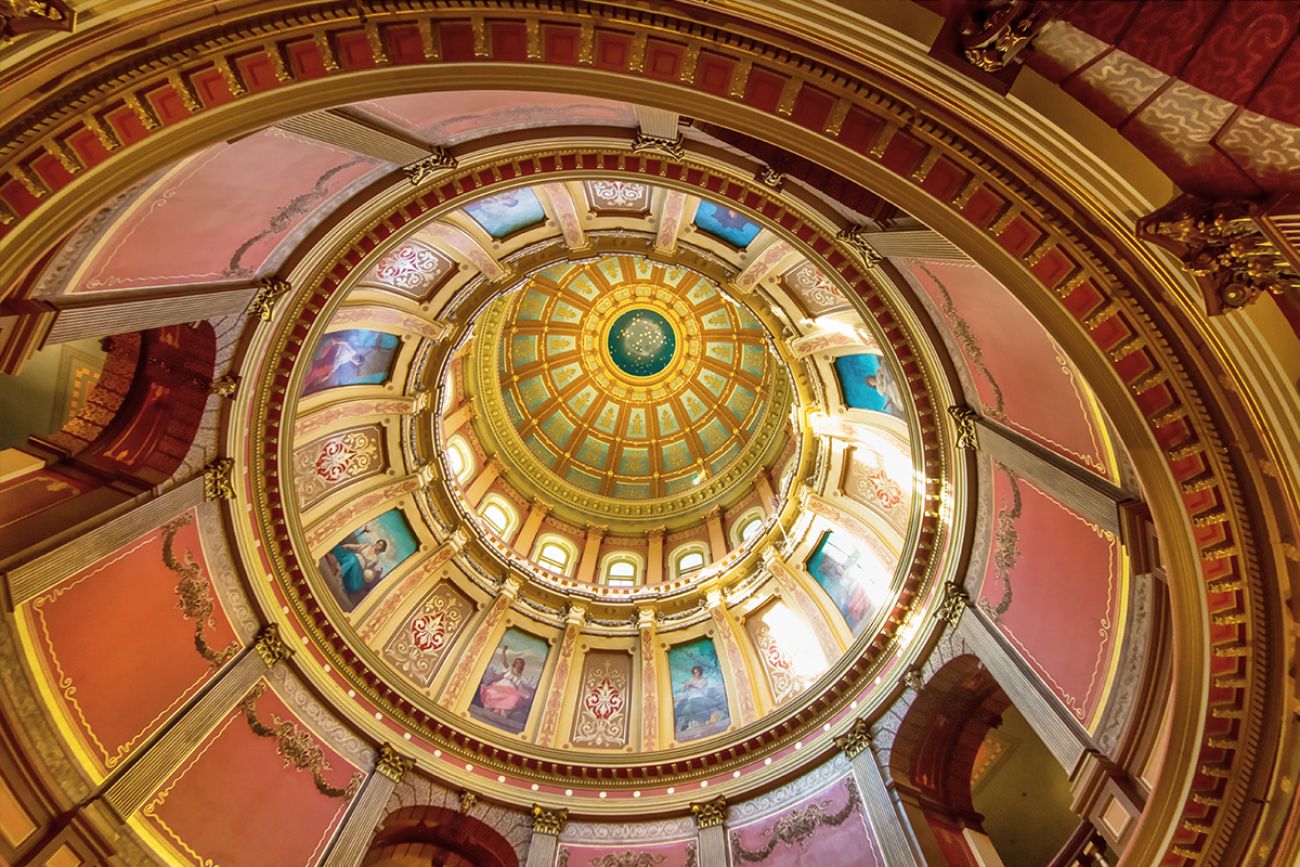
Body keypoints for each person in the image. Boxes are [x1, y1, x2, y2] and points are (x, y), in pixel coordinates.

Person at [304, 335, 370, 393]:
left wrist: (331, 372)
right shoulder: (353, 352)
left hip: (333, 360)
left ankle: (311, 381)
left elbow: (338, 363)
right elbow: (346, 343)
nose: (354, 363)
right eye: (356, 363)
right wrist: (335, 342)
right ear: (358, 360)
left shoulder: (348, 359)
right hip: (336, 349)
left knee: (327, 373)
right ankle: (308, 380)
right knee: (327, 368)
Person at [479, 646, 531, 717]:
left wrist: (524, 693)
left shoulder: (520, 677)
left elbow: (519, 687)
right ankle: (494, 708)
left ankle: (499, 710)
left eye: (520, 663)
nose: (518, 664)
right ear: (515, 663)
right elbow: (504, 660)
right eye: (517, 662)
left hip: (511, 688)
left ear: (521, 666)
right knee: (493, 692)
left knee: (512, 697)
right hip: (501, 685)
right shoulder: (509, 669)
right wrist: (503, 651)